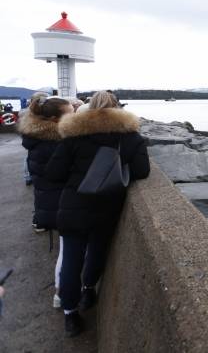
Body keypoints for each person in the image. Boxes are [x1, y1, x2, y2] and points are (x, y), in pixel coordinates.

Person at [45, 91, 150, 337]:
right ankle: (88, 290)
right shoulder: (131, 137)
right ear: (118, 108)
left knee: (71, 261)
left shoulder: (74, 134)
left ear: (90, 107)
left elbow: (53, 174)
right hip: (107, 207)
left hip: (73, 207)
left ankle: (70, 315)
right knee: (97, 252)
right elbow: (142, 171)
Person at [19, 95, 74, 309]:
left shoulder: (38, 141)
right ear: (53, 120)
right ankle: (63, 297)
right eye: (71, 114)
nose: (75, 117)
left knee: (67, 251)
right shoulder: (55, 145)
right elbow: (64, 174)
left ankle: (63, 295)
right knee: (68, 253)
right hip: (62, 205)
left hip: (49, 204)